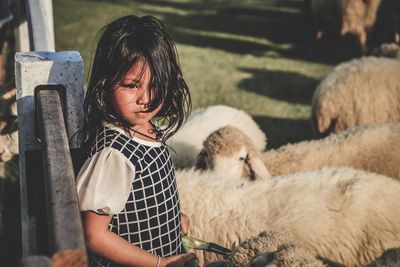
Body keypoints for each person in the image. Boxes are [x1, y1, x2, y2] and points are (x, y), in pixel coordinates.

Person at [76, 15, 195, 267]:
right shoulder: (114, 154)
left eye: (156, 85)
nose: (146, 99)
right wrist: (160, 264)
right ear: (106, 83)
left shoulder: (149, 128)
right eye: (131, 85)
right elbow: (94, 235)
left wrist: (172, 218)